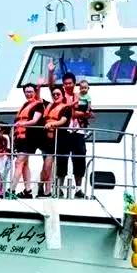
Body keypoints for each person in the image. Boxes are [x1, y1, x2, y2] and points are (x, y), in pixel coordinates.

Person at [46, 68, 91, 198]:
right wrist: (50, 72)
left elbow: (89, 113)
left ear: (74, 83)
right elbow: (51, 87)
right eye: (65, 83)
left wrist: (80, 114)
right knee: (61, 159)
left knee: (79, 159)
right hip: (63, 132)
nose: (67, 86)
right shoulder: (60, 96)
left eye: (70, 83)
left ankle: (78, 189)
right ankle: (59, 188)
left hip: (78, 132)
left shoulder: (81, 97)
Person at [9, 83, 45, 198]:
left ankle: (12, 190)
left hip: (30, 139)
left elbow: (35, 120)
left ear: (35, 92)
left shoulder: (38, 105)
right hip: (20, 139)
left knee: (18, 162)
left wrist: (22, 123)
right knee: (24, 164)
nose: (28, 94)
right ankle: (28, 190)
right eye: (26, 92)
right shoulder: (24, 105)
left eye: (31, 91)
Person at [42, 85, 72, 197]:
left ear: (62, 95)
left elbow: (63, 120)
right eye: (53, 94)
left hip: (62, 139)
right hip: (49, 139)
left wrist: (52, 123)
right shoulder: (48, 106)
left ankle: (59, 188)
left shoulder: (66, 108)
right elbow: (38, 98)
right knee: (47, 164)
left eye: (58, 94)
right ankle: (47, 190)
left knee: (62, 165)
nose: (55, 96)